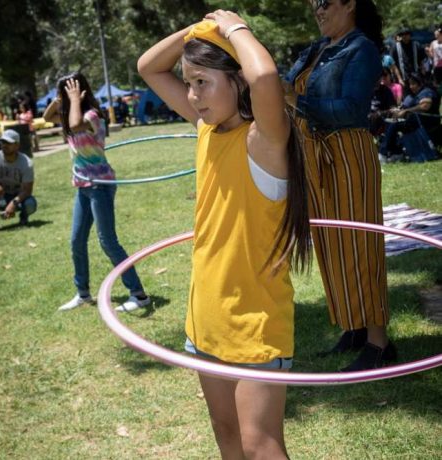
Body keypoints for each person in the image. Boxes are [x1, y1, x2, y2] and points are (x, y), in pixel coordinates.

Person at [138, 11, 311, 459]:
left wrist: (234, 29)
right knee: (227, 436)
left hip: (254, 322)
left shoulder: (264, 142)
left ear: (237, 81)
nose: (193, 96)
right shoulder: (207, 130)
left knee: (260, 446)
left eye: (202, 82)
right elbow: (148, 67)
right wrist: (195, 31)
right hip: (206, 317)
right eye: (189, 83)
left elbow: (267, 77)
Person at [285, 0, 396, 371]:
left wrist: (295, 99)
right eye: (313, 4)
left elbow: (351, 109)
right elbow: (285, 87)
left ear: (350, 5)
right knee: (332, 245)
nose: (317, 9)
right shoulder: (318, 49)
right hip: (313, 156)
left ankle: (379, 343)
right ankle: (354, 326)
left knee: (360, 245)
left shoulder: (360, 48)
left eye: (324, 3)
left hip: (346, 155)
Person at [43, 72, 150, 312]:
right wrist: (59, 101)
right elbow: (46, 116)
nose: (64, 96)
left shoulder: (92, 115)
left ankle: (138, 294)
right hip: (82, 185)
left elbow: (74, 125)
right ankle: (82, 293)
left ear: (79, 92)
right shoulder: (68, 112)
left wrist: (73, 101)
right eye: (63, 92)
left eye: (68, 91)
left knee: (107, 241)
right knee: (76, 241)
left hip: (100, 184)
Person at [0, 129, 37, 235]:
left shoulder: (26, 163)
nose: (4, 145)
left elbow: (27, 190)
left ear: (17, 145)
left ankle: (23, 219)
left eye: (8, 143)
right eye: (2, 142)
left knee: (30, 203)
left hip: (18, 198)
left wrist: (13, 203)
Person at [379, 72, 440, 161]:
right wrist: (399, 110)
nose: (411, 86)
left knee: (395, 124)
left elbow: (425, 106)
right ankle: (396, 152)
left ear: (420, 83)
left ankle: (383, 153)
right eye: (410, 84)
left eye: (413, 84)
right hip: (414, 122)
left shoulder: (427, 91)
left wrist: (406, 111)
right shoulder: (413, 95)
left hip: (426, 123)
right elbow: (405, 106)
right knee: (390, 121)